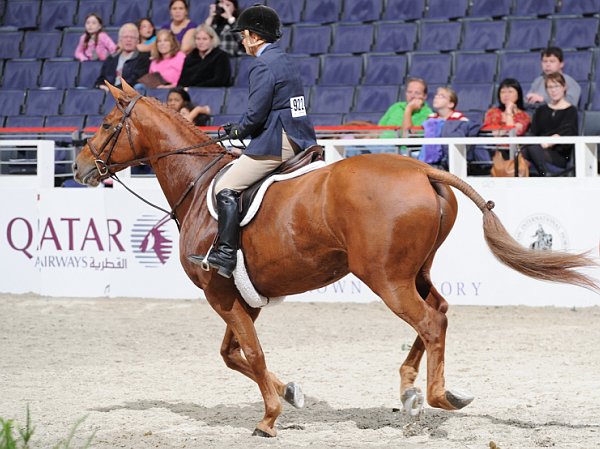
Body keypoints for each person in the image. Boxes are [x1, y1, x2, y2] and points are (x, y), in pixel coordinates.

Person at [188, 5, 318, 278]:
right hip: (298, 133)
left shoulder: (263, 66)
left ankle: (225, 253)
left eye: (243, 35)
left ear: (255, 37)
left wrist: (237, 130)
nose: (241, 40)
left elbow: (256, 114)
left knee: (225, 185)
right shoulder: (283, 60)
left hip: (278, 138)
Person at [521, 72, 578, 176]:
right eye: (550, 87)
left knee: (531, 148)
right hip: (538, 148)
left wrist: (551, 140)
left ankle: (544, 174)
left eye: (556, 86)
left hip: (559, 154)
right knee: (526, 148)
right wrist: (543, 142)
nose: (553, 90)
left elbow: (569, 132)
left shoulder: (571, 111)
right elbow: (534, 132)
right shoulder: (541, 110)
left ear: (564, 87)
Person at [419, 86, 479, 170]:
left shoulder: (461, 120)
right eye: (436, 95)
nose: (436, 97)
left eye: (442, 96)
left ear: (451, 104)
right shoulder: (430, 119)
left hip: (451, 160)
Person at [95, 23, 151, 91]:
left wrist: (113, 89)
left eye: (132, 37)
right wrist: (100, 85)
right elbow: (101, 79)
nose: (129, 40)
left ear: (138, 41)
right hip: (109, 93)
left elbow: (134, 79)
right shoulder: (111, 59)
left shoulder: (143, 58)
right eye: (125, 37)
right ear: (120, 40)